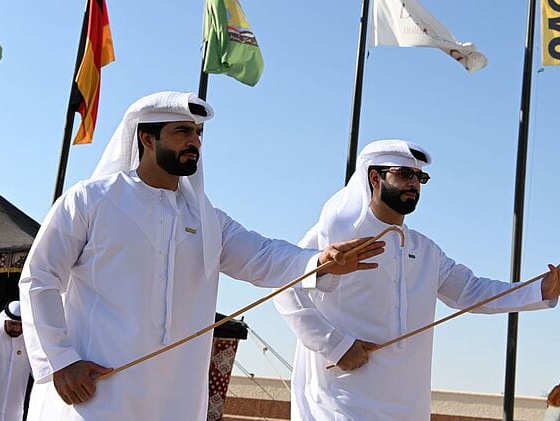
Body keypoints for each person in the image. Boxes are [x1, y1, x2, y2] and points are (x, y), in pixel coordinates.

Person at [19, 91, 385, 421]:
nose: (194, 142)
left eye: (197, 134)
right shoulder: (90, 200)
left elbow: (264, 255)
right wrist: (60, 361)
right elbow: (40, 277)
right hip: (97, 395)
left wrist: (318, 262)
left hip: (175, 401)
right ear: (147, 138)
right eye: (182, 132)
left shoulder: (208, 221)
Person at [274, 139, 560, 420]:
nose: (414, 183)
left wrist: (541, 290)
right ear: (374, 177)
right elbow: (284, 287)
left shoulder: (425, 251)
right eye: (404, 174)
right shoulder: (334, 235)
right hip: (339, 402)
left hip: (407, 406)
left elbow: (472, 291)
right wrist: (335, 346)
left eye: (420, 178)